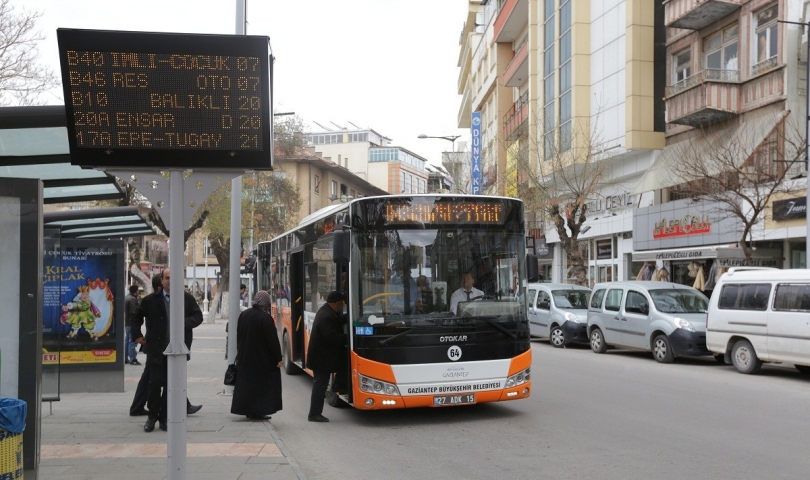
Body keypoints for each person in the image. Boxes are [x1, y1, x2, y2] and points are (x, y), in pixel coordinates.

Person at [131, 268, 203, 432]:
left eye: (174, 277)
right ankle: (152, 417)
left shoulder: (186, 299)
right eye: (167, 278)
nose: (170, 281)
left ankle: (164, 417)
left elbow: (198, 316)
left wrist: (182, 323)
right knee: (154, 384)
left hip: (178, 351)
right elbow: (136, 315)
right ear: (161, 281)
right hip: (157, 350)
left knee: (172, 386)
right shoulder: (150, 300)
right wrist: (137, 335)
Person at [230, 290, 283, 420]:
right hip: (261, 359)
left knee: (247, 386)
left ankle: (248, 410)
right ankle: (258, 411)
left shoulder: (244, 315)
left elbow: (239, 335)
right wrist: (278, 358)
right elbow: (272, 341)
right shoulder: (265, 318)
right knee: (261, 386)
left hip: (245, 357)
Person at [306, 290, 348, 423]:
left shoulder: (328, 311)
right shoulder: (326, 316)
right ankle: (314, 414)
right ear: (335, 303)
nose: (342, 305)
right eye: (341, 303)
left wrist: (350, 316)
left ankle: (338, 386)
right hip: (321, 359)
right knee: (320, 386)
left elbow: (336, 321)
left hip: (324, 357)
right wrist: (350, 338)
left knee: (344, 362)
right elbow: (332, 337)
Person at [124, 285, 141, 365]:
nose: (138, 292)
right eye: (137, 290)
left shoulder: (126, 298)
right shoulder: (132, 299)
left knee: (127, 341)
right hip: (132, 323)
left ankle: (125, 357)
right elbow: (134, 313)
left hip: (127, 323)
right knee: (132, 341)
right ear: (135, 291)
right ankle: (133, 358)